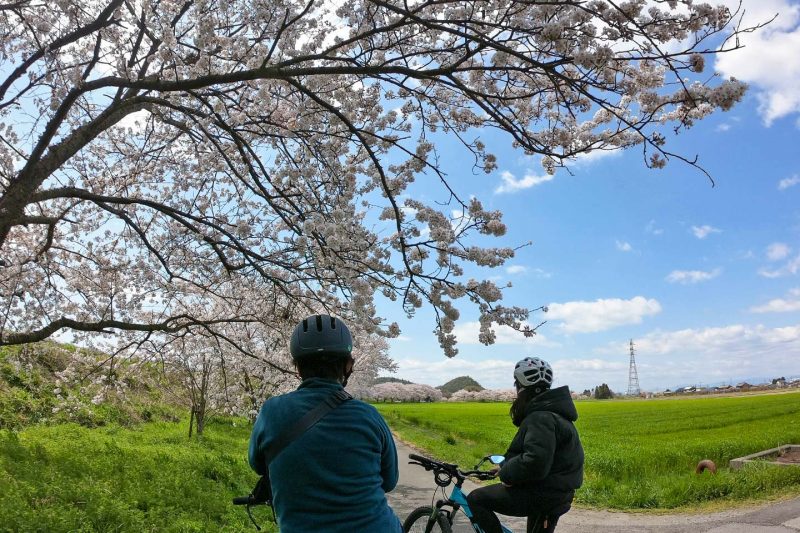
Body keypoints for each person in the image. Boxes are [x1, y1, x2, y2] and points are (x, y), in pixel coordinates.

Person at [248, 314, 403, 533]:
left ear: (297, 369)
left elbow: (256, 464)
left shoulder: (271, 411)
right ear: (348, 366)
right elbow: (389, 481)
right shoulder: (369, 416)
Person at [466, 356, 584, 533]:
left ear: (520, 387)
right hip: (558, 492)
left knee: (476, 499)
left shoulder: (540, 417)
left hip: (545, 493)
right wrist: (505, 467)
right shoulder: (556, 415)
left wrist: (506, 473)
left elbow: (535, 462)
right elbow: (538, 457)